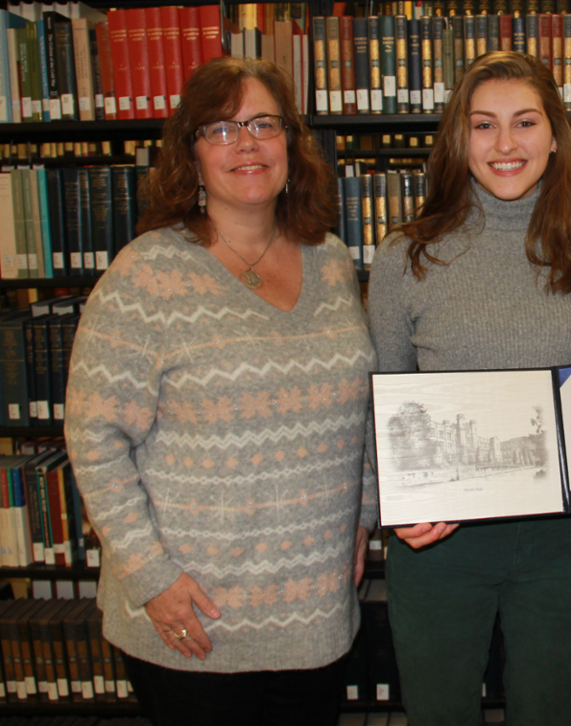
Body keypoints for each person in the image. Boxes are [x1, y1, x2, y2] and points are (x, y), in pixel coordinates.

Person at [63, 56, 376, 726]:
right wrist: (152, 578)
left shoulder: (331, 259)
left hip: (314, 614)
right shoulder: (143, 275)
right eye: (221, 128)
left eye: (264, 123)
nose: (247, 143)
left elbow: (362, 409)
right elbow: (93, 439)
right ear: (190, 153)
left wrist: (363, 516)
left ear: (291, 141)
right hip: (194, 620)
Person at [368, 51, 571, 726]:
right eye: (484, 125)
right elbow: (383, 399)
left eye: (524, 122)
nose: (505, 145)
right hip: (438, 541)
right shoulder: (407, 254)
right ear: (458, 137)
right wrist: (394, 507)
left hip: (562, 545)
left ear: (555, 135)